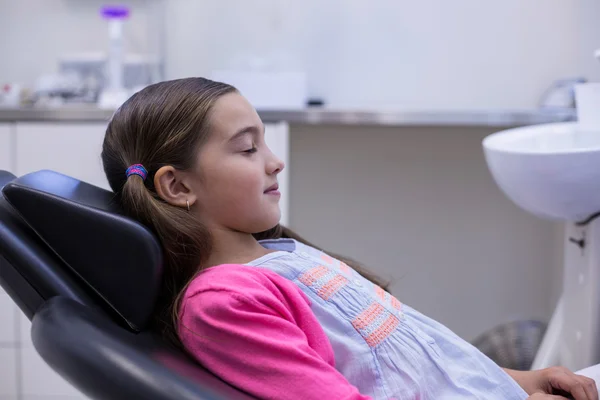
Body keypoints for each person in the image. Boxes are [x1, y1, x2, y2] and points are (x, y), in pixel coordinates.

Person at [101, 77, 598, 399]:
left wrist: (517, 382)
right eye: (248, 148)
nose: (274, 161)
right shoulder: (222, 304)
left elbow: (423, 357)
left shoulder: (278, 256)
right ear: (178, 185)